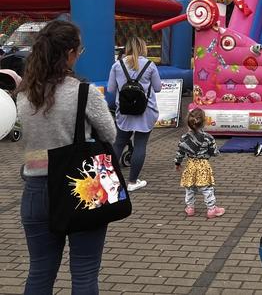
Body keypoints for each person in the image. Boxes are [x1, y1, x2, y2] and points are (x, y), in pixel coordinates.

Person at [16, 20, 117, 294]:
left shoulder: (25, 94)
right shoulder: (83, 92)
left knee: (39, 271)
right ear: (70, 53)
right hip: (84, 187)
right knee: (84, 272)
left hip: (36, 191)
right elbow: (110, 134)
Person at [108, 36, 161, 192]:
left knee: (118, 144)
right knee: (140, 145)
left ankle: (109, 180)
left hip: (124, 112)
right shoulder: (150, 65)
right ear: (143, 48)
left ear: (127, 48)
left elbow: (111, 89)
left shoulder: (117, 66)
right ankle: (132, 181)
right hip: (146, 112)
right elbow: (157, 88)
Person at [174, 108, 225, 219]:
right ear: (204, 122)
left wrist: (177, 163)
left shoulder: (184, 138)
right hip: (203, 165)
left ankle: (190, 208)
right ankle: (211, 209)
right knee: (206, 188)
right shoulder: (208, 138)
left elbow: (180, 152)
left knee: (189, 187)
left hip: (190, 164)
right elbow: (214, 152)